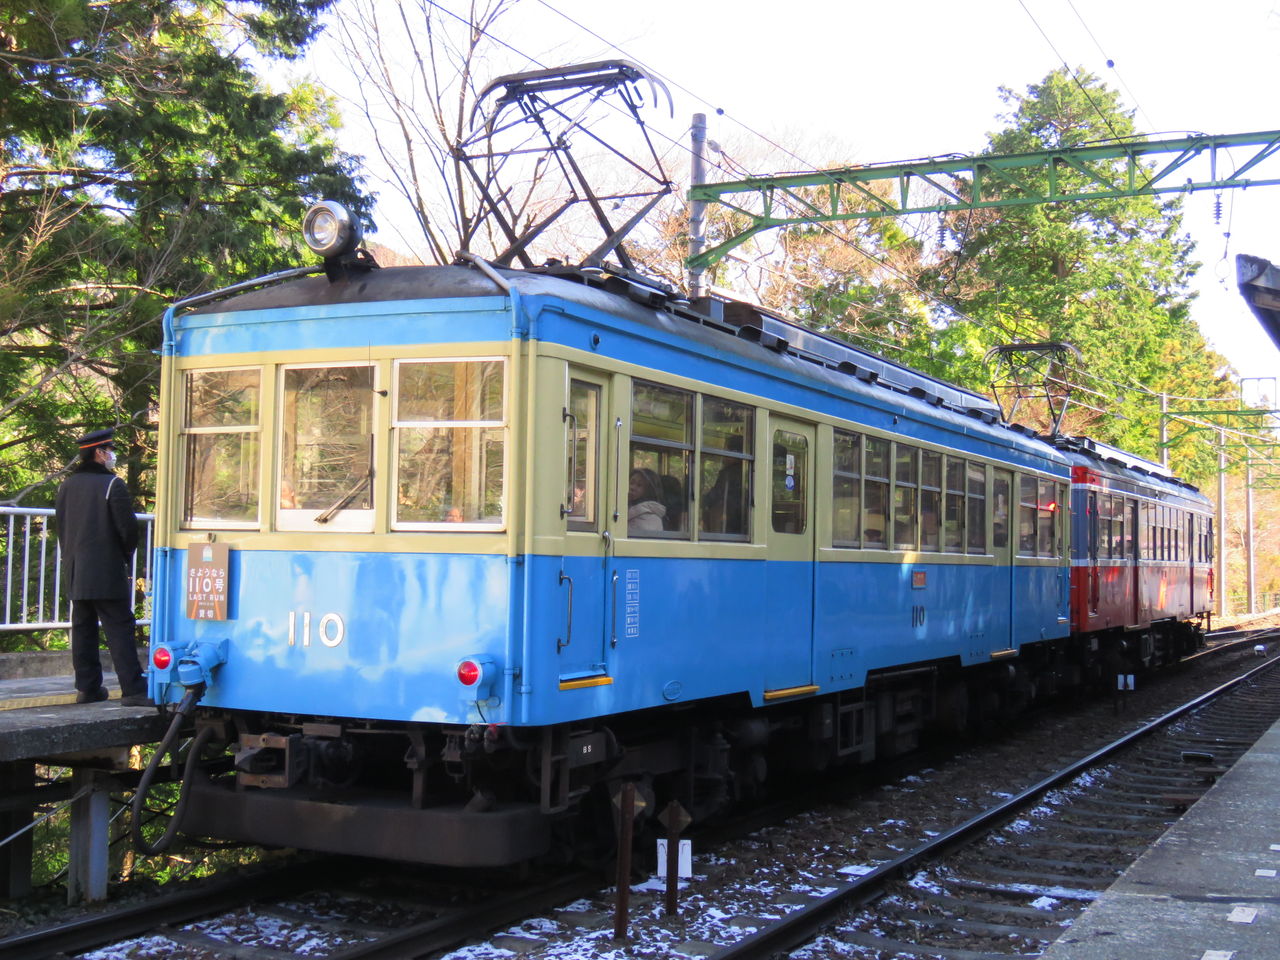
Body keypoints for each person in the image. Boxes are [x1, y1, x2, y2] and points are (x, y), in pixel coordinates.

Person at [55, 428, 152, 706]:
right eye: (109, 450)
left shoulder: (67, 485)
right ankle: (133, 688)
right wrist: (124, 556)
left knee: (83, 627)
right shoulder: (112, 485)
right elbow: (127, 529)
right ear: (99, 453)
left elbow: (61, 526)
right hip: (107, 569)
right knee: (119, 627)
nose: (112, 455)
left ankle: (87, 688)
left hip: (76, 569)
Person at [627, 467, 666, 534]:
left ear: (648, 491)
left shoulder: (650, 517)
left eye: (639, 485)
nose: (632, 487)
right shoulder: (626, 507)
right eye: (631, 483)